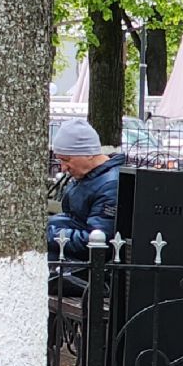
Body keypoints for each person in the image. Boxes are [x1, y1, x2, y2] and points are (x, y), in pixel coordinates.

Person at [47, 118, 125, 291]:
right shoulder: (88, 177)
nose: (63, 168)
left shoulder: (110, 184)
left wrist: (49, 234)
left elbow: (97, 241)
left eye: (67, 160)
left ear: (89, 153)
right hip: (75, 266)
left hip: (90, 274)